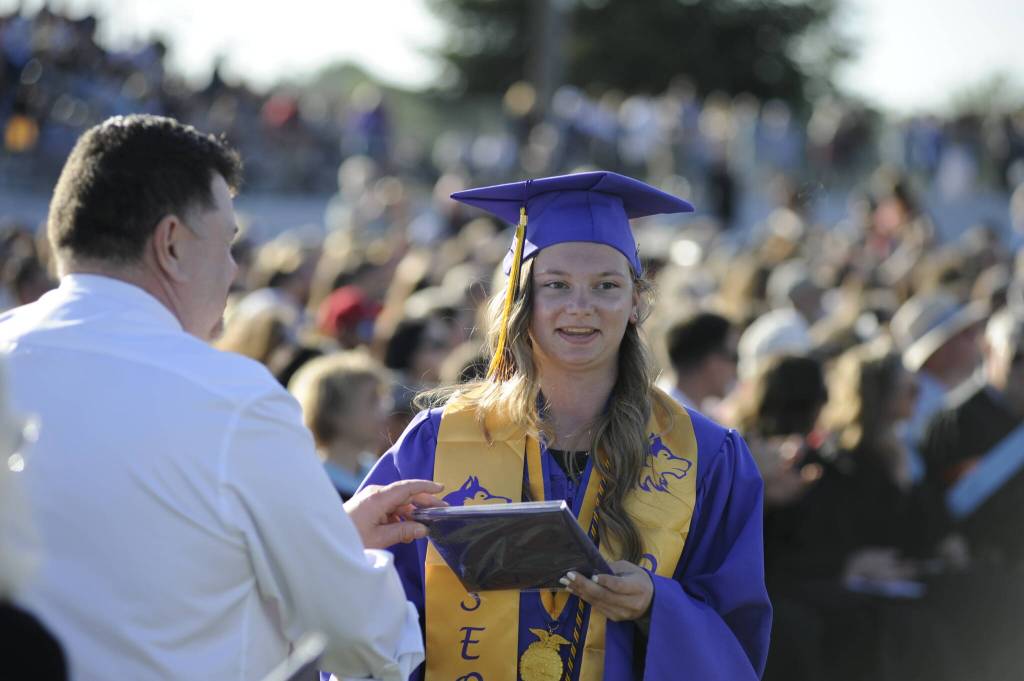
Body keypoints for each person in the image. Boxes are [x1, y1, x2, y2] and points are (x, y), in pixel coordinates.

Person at [0, 114, 443, 680]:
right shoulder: (234, 399)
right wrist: (346, 562)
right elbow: (366, 636)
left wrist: (329, 539)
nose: (235, 270)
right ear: (171, 245)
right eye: (228, 244)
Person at [362, 171, 771, 680]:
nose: (581, 306)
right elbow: (366, 609)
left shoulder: (706, 457)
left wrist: (656, 605)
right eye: (556, 285)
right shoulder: (437, 441)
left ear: (636, 303)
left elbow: (737, 636)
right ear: (522, 301)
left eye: (606, 286)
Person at [921, 307, 1024, 564]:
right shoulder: (953, 420)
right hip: (980, 567)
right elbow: (931, 495)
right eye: (1019, 357)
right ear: (989, 350)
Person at [288, 351, 392, 500]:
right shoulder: (309, 485)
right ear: (333, 411)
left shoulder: (381, 474)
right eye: (372, 400)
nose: (384, 409)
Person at [660, 310, 738, 412]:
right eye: (734, 356)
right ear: (711, 360)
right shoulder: (665, 417)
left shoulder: (671, 408)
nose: (736, 368)